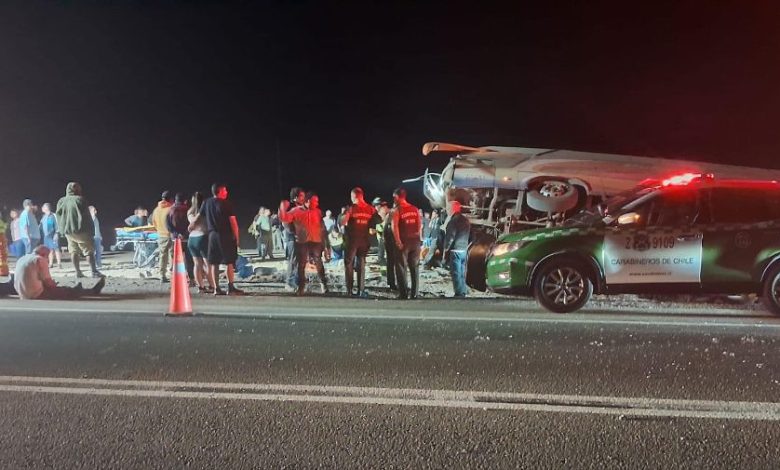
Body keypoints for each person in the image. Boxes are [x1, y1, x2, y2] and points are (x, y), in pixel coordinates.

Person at [188, 183, 243, 296]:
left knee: (214, 262)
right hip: (225, 234)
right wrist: (237, 237)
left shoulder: (206, 203)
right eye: (225, 190)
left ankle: (216, 288)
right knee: (229, 262)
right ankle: (230, 287)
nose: (226, 192)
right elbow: (233, 222)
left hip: (212, 235)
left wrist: (191, 225)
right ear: (219, 191)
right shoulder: (226, 204)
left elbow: (198, 216)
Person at [279, 191, 329, 296]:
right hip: (302, 242)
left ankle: (323, 284)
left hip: (316, 241)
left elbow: (323, 229)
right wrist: (282, 208)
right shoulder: (296, 211)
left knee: (318, 263)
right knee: (301, 265)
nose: (317, 203)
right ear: (308, 201)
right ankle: (301, 287)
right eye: (315, 201)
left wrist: (326, 245)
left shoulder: (318, 212)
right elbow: (284, 218)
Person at [14, 246, 105, 300]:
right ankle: (91, 291)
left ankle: (78, 289)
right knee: (65, 292)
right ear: (44, 254)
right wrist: (56, 286)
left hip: (21, 293)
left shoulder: (23, 258)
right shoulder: (39, 259)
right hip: (35, 293)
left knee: (60, 289)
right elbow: (48, 283)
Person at [55, 182, 103, 278]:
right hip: (81, 230)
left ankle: (78, 272)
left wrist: (62, 229)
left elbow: (58, 216)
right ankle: (94, 272)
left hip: (68, 231)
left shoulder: (61, 201)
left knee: (73, 251)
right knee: (88, 251)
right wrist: (91, 230)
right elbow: (86, 217)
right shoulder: (80, 200)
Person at [340, 187, 378, 297]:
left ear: (353, 197)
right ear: (362, 196)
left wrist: (345, 213)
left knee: (349, 264)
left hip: (352, 240)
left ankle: (349, 290)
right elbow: (377, 222)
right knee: (361, 263)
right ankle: (361, 290)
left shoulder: (351, 208)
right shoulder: (371, 209)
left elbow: (343, 222)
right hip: (364, 240)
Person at [391, 188, 422, 300]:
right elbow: (419, 224)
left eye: (394, 197)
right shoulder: (415, 209)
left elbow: (394, 227)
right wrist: (418, 238)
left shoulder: (397, 210)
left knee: (401, 267)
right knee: (414, 268)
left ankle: (403, 294)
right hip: (415, 241)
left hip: (404, 242)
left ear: (397, 197)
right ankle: (414, 293)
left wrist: (398, 241)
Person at [443, 200, 471, 297]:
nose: (447, 210)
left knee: (456, 272)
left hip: (455, 250)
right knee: (462, 272)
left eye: (448, 208)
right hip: (464, 249)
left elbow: (450, 237)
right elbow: (472, 235)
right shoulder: (466, 220)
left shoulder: (453, 221)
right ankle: (463, 289)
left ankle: (459, 293)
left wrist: (446, 248)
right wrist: (467, 245)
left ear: (452, 209)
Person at [187, 192, 213, 294]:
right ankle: (212, 285)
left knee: (197, 264)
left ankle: (201, 287)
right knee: (208, 264)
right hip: (203, 237)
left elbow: (192, 223)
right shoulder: (206, 212)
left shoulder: (190, 211)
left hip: (192, 239)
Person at [166, 193, 194, 281]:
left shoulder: (170, 210)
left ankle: (179, 278)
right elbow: (191, 224)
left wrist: (176, 233)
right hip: (187, 238)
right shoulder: (188, 210)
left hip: (176, 239)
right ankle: (191, 278)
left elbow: (168, 225)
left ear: (175, 200)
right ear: (184, 201)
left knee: (178, 259)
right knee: (189, 260)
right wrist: (184, 234)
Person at [282, 187, 306, 290]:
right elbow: (285, 222)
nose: (303, 198)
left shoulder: (302, 207)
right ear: (295, 197)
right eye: (301, 196)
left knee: (301, 261)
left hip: (301, 238)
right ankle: (289, 283)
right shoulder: (291, 207)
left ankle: (297, 281)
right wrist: (293, 232)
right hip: (292, 238)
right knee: (293, 260)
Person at [151, 191, 174, 283]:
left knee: (162, 256)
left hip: (161, 235)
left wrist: (159, 230)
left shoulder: (156, 210)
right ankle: (173, 275)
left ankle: (162, 275)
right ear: (170, 199)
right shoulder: (171, 209)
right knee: (173, 256)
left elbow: (154, 223)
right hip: (170, 235)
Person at [40, 203, 62, 269]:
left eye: (43, 207)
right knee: (49, 250)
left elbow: (57, 225)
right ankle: (50, 263)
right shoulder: (44, 217)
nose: (42, 208)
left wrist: (57, 233)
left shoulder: (53, 215)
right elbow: (40, 226)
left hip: (53, 235)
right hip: (46, 236)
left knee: (56, 249)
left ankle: (59, 263)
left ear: (46, 208)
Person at [382, 202, 397, 290]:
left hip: (389, 242)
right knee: (394, 263)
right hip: (392, 242)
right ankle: (392, 282)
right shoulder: (392, 215)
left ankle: (391, 282)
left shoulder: (389, 215)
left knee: (390, 263)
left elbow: (384, 230)